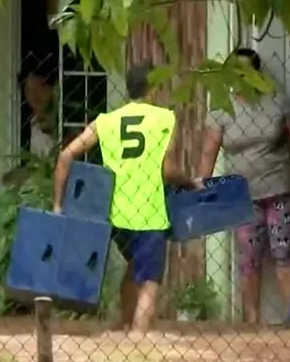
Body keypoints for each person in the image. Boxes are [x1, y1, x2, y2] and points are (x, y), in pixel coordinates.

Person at [52, 60, 198, 334]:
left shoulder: (105, 121)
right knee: (150, 282)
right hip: (150, 213)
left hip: (116, 214)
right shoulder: (165, 118)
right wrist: (190, 182)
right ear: (153, 88)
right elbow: (167, 170)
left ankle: (122, 325)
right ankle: (138, 339)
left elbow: (65, 156)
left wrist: (59, 205)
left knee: (133, 266)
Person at [197, 47, 290, 325]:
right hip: (242, 196)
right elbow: (208, 153)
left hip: (279, 189)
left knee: (283, 253)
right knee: (249, 258)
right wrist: (202, 189)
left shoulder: (278, 103)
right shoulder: (221, 109)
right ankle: (252, 320)